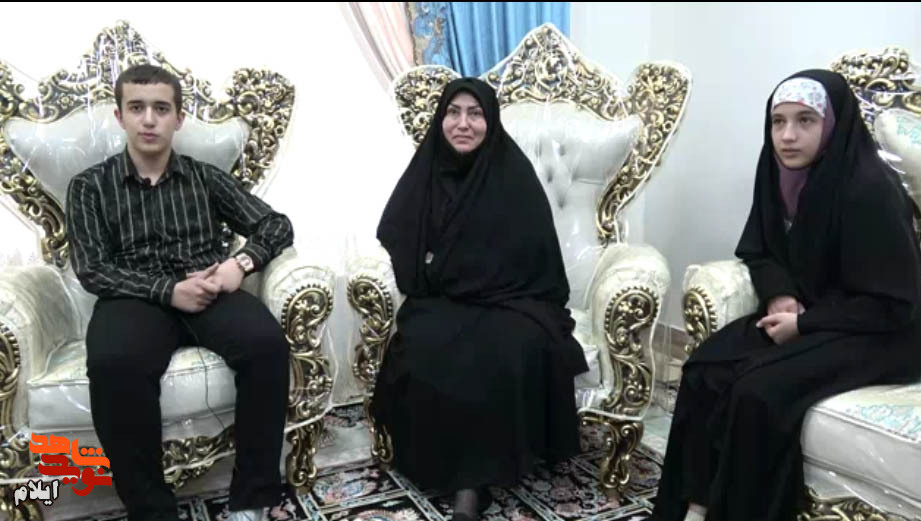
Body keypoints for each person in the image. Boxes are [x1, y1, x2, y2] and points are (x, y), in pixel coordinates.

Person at [651, 70, 921, 521]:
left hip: (883, 333)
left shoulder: (868, 189)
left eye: (805, 121)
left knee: (758, 392)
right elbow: (760, 248)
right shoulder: (776, 173)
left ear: (832, 124)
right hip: (816, 312)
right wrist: (779, 295)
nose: (787, 136)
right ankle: (694, 505)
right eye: (778, 121)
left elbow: (893, 304)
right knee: (704, 368)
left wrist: (804, 324)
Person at [66, 64, 294, 521]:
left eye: (161, 108)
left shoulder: (204, 177)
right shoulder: (89, 186)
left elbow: (275, 224)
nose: (149, 119)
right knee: (114, 364)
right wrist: (168, 291)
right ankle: (151, 511)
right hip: (133, 298)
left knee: (267, 345)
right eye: (137, 108)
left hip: (208, 287)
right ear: (120, 116)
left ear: (178, 118)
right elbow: (92, 269)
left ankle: (253, 497)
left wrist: (238, 265)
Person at [372, 77, 589, 520]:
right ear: (440, 119)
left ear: (490, 122)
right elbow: (398, 234)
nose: (463, 123)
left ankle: (470, 486)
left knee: (498, 354)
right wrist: (435, 268)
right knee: (425, 349)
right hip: (441, 300)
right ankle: (440, 465)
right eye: (453, 112)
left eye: (475, 114)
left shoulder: (514, 174)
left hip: (513, 301)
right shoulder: (426, 172)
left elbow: (536, 257)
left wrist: (458, 268)